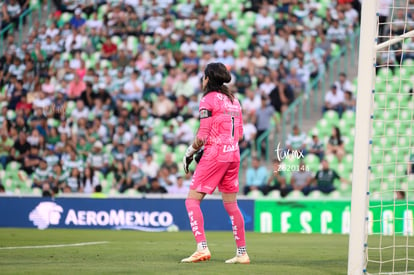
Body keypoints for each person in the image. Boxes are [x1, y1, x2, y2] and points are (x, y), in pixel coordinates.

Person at [181, 63, 249, 264]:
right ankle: (242, 253)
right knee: (231, 205)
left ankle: (201, 248)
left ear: (208, 79)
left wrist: (190, 152)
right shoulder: (234, 100)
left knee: (191, 200)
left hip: (216, 154)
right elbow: (241, 134)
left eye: (203, 77)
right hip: (234, 154)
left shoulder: (208, 99)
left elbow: (202, 135)